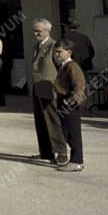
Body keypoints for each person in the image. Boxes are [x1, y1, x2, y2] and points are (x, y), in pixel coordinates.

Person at [30, 19, 67, 165]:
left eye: (38, 30)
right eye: (34, 30)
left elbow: (62, 67)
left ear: (47, 31)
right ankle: (46, 152)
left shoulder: (54, 46)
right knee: (40, 120)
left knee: (52, 120)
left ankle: (61, 152)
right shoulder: (36, 46)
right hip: (38, 86)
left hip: (49, 86)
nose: (35, 33)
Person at [53, 39, 86, 172]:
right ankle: (73, 160)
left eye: (59, 52)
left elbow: (79, 85)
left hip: (70, 103)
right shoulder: (63, 65)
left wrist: (72, 100)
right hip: (63, 100)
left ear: (69, 52)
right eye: (55, 52)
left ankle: (77, 161)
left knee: (73, 133)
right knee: (66, 132)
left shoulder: (72, 66)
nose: (57, 54)